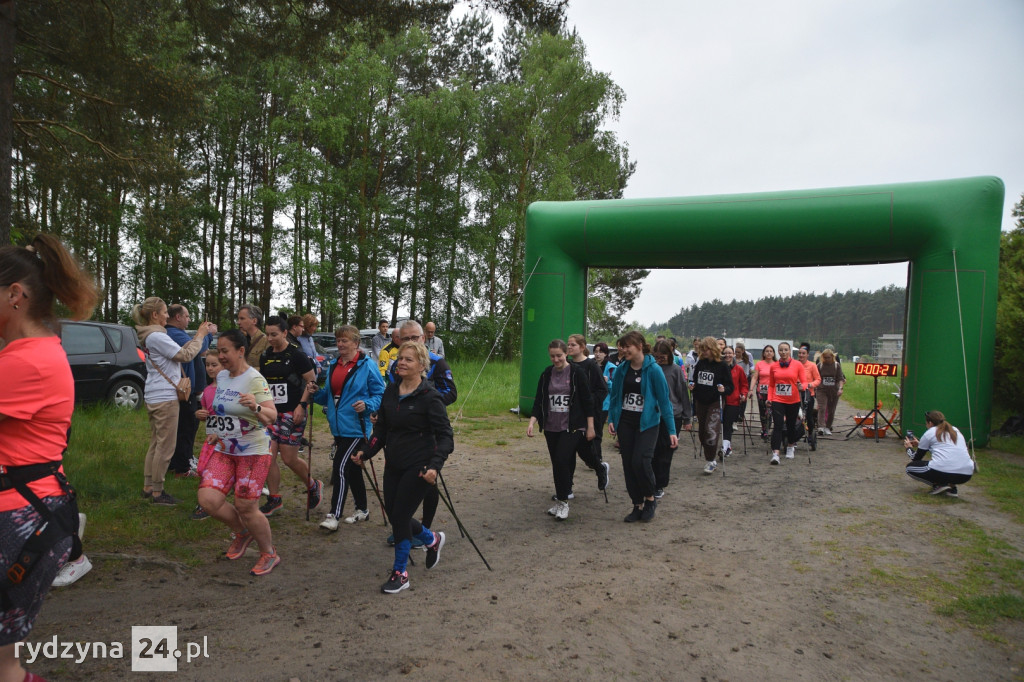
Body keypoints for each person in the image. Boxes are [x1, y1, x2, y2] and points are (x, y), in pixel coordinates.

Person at [0, 234, 98, 682]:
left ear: (14, 295)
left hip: (18, 520)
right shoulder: (28, 353)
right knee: (6, 661)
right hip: (29, 513)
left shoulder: (28, 362)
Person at [353, 342, 452, 594]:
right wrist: (367, 450)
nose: (401, 363)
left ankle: (401, 573)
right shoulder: (391, 391)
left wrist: (435, 465)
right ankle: (432, 539)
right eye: (400, 359)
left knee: (399, 517)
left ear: (421, 366)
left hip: (419, 465)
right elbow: (382, 430)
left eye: (408, 359)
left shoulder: (430, 397)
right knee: (398, 513)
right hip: (394, 463)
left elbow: (445, 436)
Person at [196, 329, 281, 576]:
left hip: (253, 452)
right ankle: (242, 533)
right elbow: (224, 412)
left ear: (240, 351)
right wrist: (216, 429)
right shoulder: (222, 377)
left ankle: (269, 553)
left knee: (246, 506)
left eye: (225, 351)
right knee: (208, 499)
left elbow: (271, 416)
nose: (221, 356)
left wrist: (254, 406)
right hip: (225, 448)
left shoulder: (255, 379)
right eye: (218, 351)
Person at [134, 297, 214, 505]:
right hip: (165, 397)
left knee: (156, 443)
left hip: (154, 394)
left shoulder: (149, 336)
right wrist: (201, 335)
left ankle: (148, 486)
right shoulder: (157, 337)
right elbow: (186, 354)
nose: (167, 316)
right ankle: (158, 493)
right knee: (165, 447)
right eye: (164, 313)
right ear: (154, 315)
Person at [311, 325, 385, 531]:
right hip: (338, 426)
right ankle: (362, 509)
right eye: (338, 340)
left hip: (357, 426)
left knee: (341, 468)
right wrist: (315, 392)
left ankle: (334, 515)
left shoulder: (366, 365)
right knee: (353, 470)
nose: (340, 344)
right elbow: (330, 395)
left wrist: (367, 405)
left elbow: (381, 394)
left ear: (356, 343)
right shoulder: (334, 364)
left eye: (345, 340)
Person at [607, 331, 677, 523]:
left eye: (627, 346)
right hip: (626, 423)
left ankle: (650, 499)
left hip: (648, 423)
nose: (623, 350)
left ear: (639, 345)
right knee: (629, 464)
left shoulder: (654, 370)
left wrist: (671, 430)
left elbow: (664, 402)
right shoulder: (622, 369)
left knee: (641, 461)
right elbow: (615, 397)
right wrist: (612, 419)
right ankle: (637, 504)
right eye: (621, 346)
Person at [258, 316, 323, 517]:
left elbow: (312, 383)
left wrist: (302, 406)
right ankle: (274, 498)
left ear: (285, 333)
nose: (270, 338)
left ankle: (313, 485)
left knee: (288, 458)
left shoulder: (297, 355)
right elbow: (263, 384)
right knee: (267, 457)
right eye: (267, 334)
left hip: (292, 411)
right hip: (271, 413)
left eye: (274, 334)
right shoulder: (265, 355)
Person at [527, 339, 596, 520]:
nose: (556, 359)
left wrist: (590, 426)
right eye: (552, 356)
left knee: (562, 459)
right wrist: (532, 422)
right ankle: (560, 501)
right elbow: (540, 400)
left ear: (566, 354)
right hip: (552, 426)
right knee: (557, 464)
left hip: (572, 426)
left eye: (559, 355)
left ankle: (564, 502)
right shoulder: (547, 374)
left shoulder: (577, 373)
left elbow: (588, 401)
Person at [166, 304, 214, 478]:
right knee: (187, 427)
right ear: (177, 317)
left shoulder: (173, 333)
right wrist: (206, 334)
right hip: (183, 391)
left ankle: (178, 461)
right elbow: (198, 349)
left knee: (185, 427)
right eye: (186, 316)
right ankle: (182, 467)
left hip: (187, 390)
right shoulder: (173, 333)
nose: (189, 319)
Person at [567, 334, 609, 494]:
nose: (569, 347)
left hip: (589, 415)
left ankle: (599, 467)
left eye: (573, 345)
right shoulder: (568, 365)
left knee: (585, 451)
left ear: (582, 347)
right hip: (571, 415)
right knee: (568, 451)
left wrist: (587, 401)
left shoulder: (591, 366)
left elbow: (602, 390)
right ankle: (567, 488)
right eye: (568, 345)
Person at [688, 336, 734, 474]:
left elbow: (730, 386)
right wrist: (693, 386)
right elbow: (695, 380)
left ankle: (711, 460)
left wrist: (723, 390)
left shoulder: (722, 365)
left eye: (707, 349)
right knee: (702, 432)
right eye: (702, 349)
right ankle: (710, 457)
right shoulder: (701, 363)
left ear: (713, 349)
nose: (704, 352)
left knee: (711, 430)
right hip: (701, 401)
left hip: (715, 401)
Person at [652, 340, 692, 497]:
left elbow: (683, 394)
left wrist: (687, 418)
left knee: (666, 452)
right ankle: (652, 480)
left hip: (673, 414)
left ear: (669, 355)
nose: (659, 360)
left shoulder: (675, 370)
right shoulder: (652, 369)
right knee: (653, 451)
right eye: (656, 357)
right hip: (654, 414)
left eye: (662, 357)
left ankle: (660, 484)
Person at [904, 410, 975, 497]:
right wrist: (920, 444)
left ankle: (939, 485)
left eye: (926, 423)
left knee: (910, 468)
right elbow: (946, 449)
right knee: (947, 465)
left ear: (930, 423)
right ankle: (952, 488)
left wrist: (908, 448)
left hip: (944, 471)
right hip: (966, 474)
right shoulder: (955, 430)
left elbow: (916, 458)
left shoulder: (930, 432)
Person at [190, 353, 223, 521]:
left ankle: (210, 503)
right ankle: (205, 503)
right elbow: (205, 412)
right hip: (210, 439)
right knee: (203, 470)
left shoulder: (228, 390)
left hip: (226, 440)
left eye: (214, 365)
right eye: (208, 365)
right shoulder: (207, 391)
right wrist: (199, 414)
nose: (210, 368)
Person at [768, 342, 806, 465]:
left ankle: (790, 446)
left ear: (789, 351)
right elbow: (771, 385)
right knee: (778, 425)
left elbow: (804, 382)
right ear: (778, 352)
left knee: (790, 425)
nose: (783, 352)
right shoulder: (774, 366)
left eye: (785, 350)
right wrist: (769, 398)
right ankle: (775, 454)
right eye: (781, 350)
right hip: (778, 399)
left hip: (793, 400)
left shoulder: (798, 365)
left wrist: (802, 386)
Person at [721, 346, 749, 457]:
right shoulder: (718, 367)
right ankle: (726, 446)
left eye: (730, 353)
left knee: (727, 425)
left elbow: (744, 384)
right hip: (719, 400)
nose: (727, 355)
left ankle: (725, 447)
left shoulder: (739, 369)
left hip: (733, 401)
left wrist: (743, 394)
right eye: (725, 353)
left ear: (733, 354)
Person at [816, 348, 845, 435]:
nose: (827, 359)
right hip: (822, 390)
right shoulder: (819, 365)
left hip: (833, 391)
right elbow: (816, 377)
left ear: (832, 357)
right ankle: (821, 426)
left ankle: (828, 427)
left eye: (828, 357)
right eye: (825, 357)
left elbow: (841, 378)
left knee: (831, 410)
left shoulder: (837, 365)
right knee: (822, 408)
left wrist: (840, 388)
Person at [751, 345, 776, 440]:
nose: (769, 353)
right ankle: (764, 428)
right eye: (767, 351)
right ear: (764, 353)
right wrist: (751, 390)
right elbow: (754, 377)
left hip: (773, 392)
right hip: (761, 391)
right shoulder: (759, 364)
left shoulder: (776, 364)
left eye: (771, 351)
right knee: (762, 412)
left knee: (769, 411)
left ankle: (767, 430)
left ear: (773, 353)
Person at [797, 343, 821, 437]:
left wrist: (810, 384)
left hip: (808, 394)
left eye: (803, 353)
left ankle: (810, 433)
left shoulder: (812, 365)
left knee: (808, 415)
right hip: (795, 394)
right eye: (799, 353)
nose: (801, 355)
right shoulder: (794, 364)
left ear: (807, 355)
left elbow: (818, 379)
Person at [236, 304, 269, 368]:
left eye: (242, 318)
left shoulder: (266, 341)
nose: (238, 322)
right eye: (238, 319)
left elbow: (267, 367)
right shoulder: (240, 341)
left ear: (254, 321)